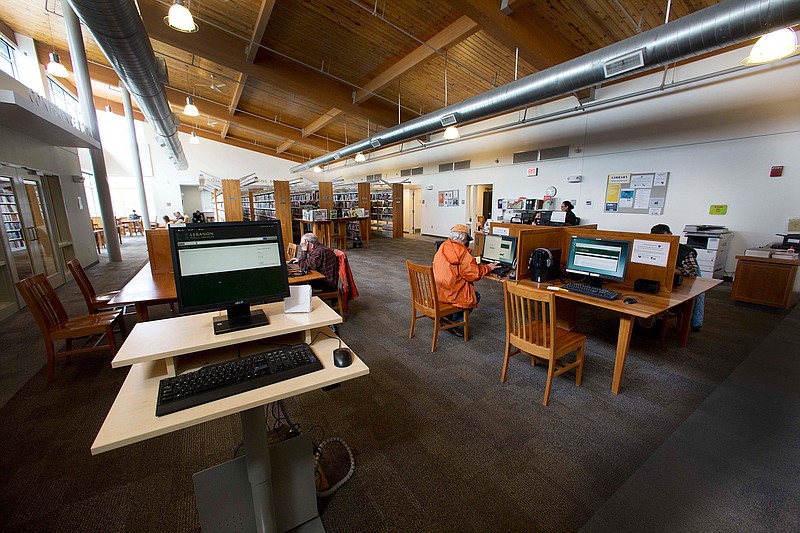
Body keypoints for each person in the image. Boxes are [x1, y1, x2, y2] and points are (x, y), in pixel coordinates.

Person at [433, 224, 500, 337]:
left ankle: (447, 317)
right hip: (452, 294)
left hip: (438, 291)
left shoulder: (443, 246)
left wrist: (470, 261)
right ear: (464, 238)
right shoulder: (463, 254)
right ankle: (456, 323)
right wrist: (488, 267)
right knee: (475, 296)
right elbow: (474, 275)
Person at [640, 224, 704, 332]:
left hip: (682, 280)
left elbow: (693, 270)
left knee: (697, 295)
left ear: (670, 234)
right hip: (661, 279)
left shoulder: (685, 251)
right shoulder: (654, 247)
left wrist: (676, 270)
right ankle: (649, 316)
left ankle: (695, 324)